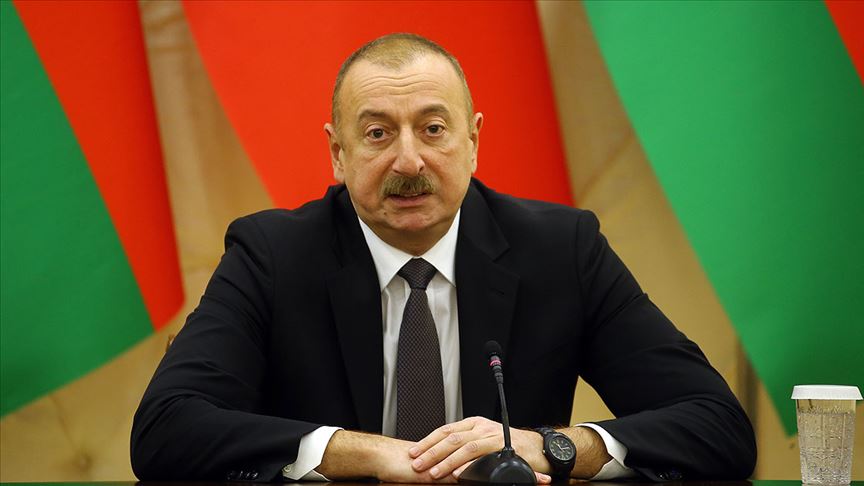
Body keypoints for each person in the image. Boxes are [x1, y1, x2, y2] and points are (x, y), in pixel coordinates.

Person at [131, 33, 756, 483]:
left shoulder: (561, 249)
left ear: (473, 141)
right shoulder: (272, 255)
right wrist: (363, 454)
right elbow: (165, 429)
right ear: (338, 154)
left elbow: (716, 425)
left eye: (433, 129)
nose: (409, 161)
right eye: (377, 134)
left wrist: (551, 448)